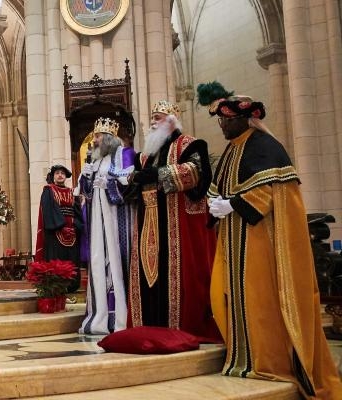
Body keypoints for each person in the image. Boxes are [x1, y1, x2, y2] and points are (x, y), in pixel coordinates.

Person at [198, 82, 342, 399]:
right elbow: (219, 186)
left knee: (261, 302)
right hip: (235, 242)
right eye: (220, 120)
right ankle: (243, 358)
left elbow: (268, 194)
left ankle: (268, 360)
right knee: (234, 300)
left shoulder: (265, 146)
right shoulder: (232, 149)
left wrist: (232, 204)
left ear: (244, 119)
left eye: (226, 119)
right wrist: (214, 203)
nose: (222, 125)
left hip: (260, 244)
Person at [126, 100, 221, 341]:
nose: (153, 122)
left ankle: (178, 325)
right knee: (148, 272)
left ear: (171, 121)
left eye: (157, 118)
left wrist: (158, 174)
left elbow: (197, 173)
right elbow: (135, 185)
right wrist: (132, 180)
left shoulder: (189, 145)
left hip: (177, 222)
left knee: (177, 272)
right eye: (153, 117)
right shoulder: (146, 154)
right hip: (148, 218)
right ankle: (147, 324)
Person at [76, 117, 132, 334]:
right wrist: (87, 180)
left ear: (109, 138)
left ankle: (119, 316)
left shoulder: (123, 155)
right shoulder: (95, 161)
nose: (95, 140)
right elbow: (84, 193)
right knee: (98, 260)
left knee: (116, 261)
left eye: (98, 136)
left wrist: (109, 185)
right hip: (97, 221)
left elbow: (129, 183)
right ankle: (99, 315)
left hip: (116, 219)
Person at [33, 164, 82, 291]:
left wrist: (76, 226)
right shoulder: (48, 190)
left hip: (72, 231)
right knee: (57, 259)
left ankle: (71, 288)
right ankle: (57, 288)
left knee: (72, 260)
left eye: (62, 173)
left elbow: (77, 212)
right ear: (53, 176)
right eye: (57, 173)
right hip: (55, 232)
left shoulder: (73, 192)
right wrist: (61, 226)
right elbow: (49, 210)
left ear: (65, 177)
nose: (60, 175)